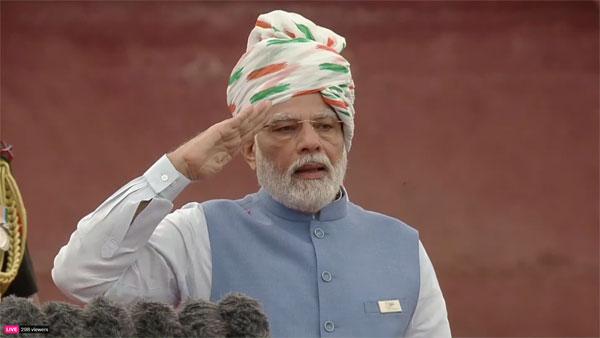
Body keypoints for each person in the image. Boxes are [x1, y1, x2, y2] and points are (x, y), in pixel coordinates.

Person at [52, 10, 451, 338]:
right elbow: (79, 278)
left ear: (344, 139)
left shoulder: (402, 248)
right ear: (248, 149)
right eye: (285, 127)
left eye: (326, 126)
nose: (310, 142)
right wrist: (176, 170)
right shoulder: (199, 235)